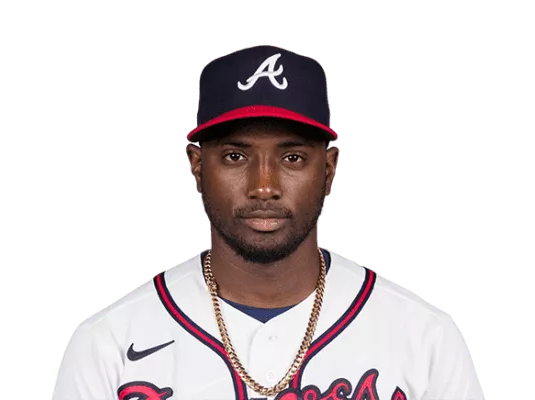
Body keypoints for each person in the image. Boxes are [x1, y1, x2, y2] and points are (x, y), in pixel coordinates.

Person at [52, 45, 485, 400]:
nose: (264, 187)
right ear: (196, 166)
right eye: (235, 156)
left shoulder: (424, 338)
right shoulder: (108, 345)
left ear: (329, 169)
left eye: (292, 157)